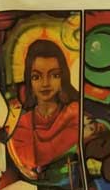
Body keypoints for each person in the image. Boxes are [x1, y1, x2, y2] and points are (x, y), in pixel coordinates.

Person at [7, 39, 81, 188]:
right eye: (37, 76)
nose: (45, 83)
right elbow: (28, 162)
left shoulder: (75, 113)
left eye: (54, 75)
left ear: (63, 77)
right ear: (30, 81)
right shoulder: (21, 123)